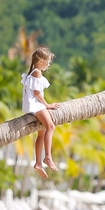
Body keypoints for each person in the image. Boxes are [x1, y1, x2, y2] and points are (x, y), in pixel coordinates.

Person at [21, 47, 60, 178]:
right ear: (40, 60)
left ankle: (38, 163)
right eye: (47, 62)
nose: (49, 65)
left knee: (41, 133)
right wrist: (47, 105)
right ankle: (48, 157)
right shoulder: (37, 73)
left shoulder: (33, 72)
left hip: (33, 106)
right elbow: (37, 93)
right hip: (36, 105)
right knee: (51, 126)